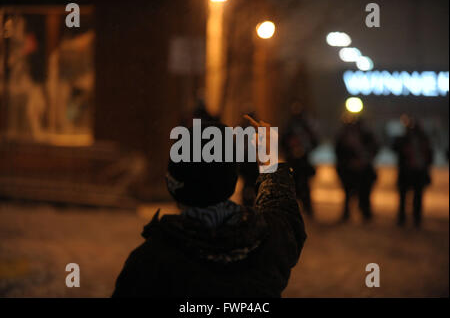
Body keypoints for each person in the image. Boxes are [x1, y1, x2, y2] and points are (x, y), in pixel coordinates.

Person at [112, 117, 307, 297]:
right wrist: (269, 163)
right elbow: (284, 214)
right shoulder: (267, 242)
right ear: (230, 180)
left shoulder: (149, 263)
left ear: (173, 184)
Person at [335, 116, 379, 222]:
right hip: (348, 170)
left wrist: (365, 160)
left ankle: (365, 213)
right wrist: (348, 162)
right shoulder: (344, 136)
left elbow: (374, 148)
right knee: (348, 193)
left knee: (365, 193)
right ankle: (347, 213)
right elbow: (338, 151)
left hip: (364, 170)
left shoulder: (366, 136)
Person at [393, 116, 433, 227]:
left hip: (418, 171)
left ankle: (416, 218)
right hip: (407, 172)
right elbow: (396, 148)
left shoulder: (423, 140)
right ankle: (403, 218)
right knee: (404, 197)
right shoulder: (404, 139)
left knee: (417, 197)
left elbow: (429, 156)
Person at [281, 102, 319, 217]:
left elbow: (314, 141)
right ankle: (292, 211)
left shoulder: (306, 127)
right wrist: (291, 150)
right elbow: (283, 141)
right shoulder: (289, 127)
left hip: (303, 162)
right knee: (292, 188)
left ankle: (307, 209)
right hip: (292, 162)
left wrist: (304, 149)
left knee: (304, 187)